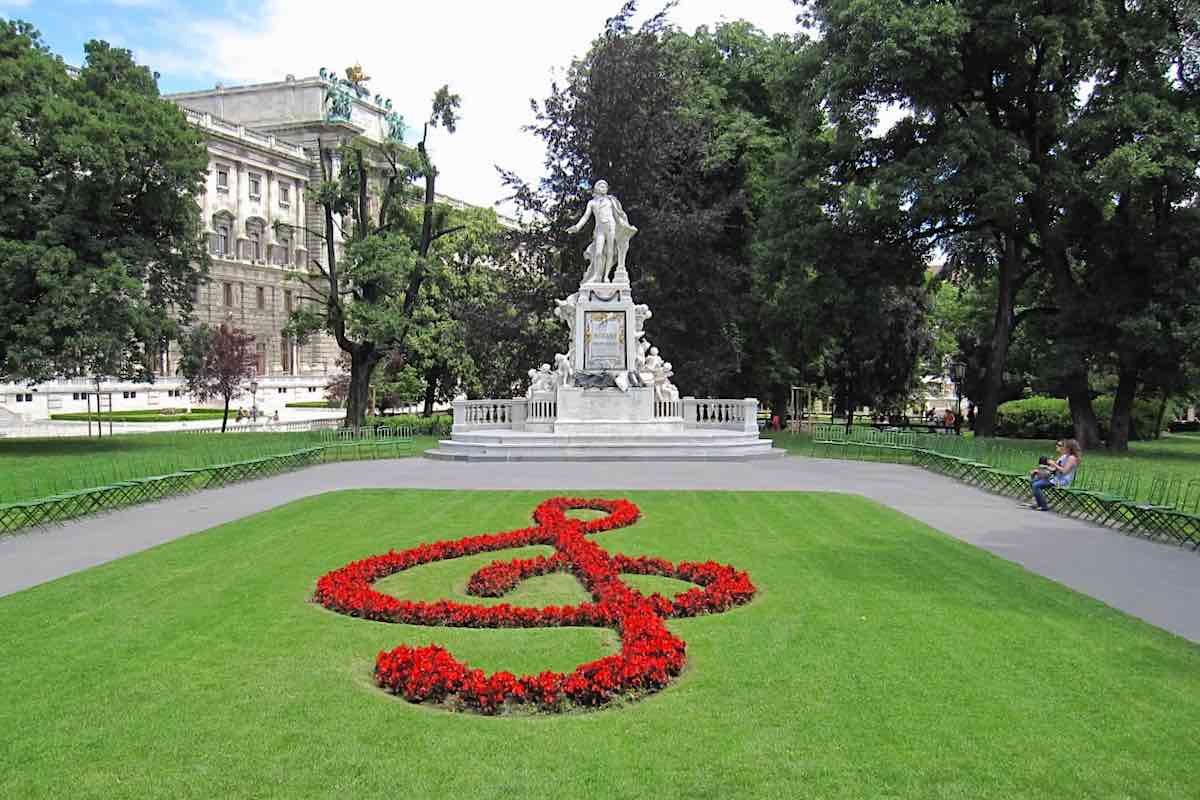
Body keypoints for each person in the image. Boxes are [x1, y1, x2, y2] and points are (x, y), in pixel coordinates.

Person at [1028, 438, 1081, 511]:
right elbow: (1054, 469)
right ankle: (1038, 503)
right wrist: (1042, 469)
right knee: (1033, 481)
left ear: (1069, 448)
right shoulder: (1064, 456)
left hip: (1062, 481)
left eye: (1065, 446)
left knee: (1036, 485)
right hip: (1056, 478)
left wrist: (1054, 464)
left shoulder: (1072, 458)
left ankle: (1044, 506)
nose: (1063, 447)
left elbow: (1064, 471)